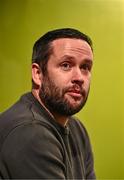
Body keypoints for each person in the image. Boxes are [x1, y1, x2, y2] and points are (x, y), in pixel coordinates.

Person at [0, 28, 96, 179]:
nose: (79, 77)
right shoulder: (29, 132)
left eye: (85, 67)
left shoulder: (77, 129)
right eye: (66, 65)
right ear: (38, 74)